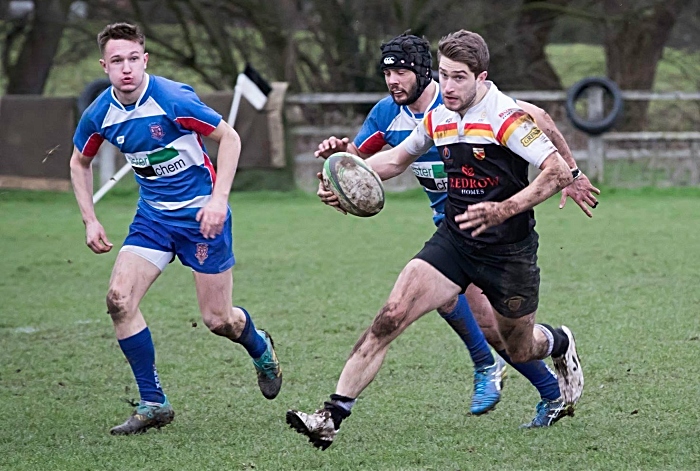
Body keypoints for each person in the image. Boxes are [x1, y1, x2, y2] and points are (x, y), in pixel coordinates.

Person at [287, 29, 585, 449]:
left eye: (459, 77)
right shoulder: (437, 115)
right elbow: (396, 158)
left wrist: (505, 208)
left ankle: (559, 341)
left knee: (519, 347)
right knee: (389, 318)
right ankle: (331, 415)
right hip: (455, 239)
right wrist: (347, 174)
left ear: (482, 77)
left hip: (508, 252)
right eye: (444, 75)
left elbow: (553, 171)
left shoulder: (506, 117)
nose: (448, 86)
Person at [69, 22, 282, 436]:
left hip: (202, 218)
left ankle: (261, 347)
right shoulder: (100, 113)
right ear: (105, 66)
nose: (126, 68)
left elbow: (231, 138)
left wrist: (218, 200)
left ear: (145, 60)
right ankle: (154, 403)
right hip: (152, 219)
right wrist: (90, 218)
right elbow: (79, 162)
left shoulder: (171, 99)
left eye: (133, 58)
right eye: (117, 61)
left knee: (219, 320)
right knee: (118, 300)